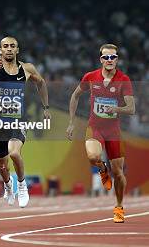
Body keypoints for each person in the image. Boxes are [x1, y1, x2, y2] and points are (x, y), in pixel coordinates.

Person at [0, 36, 50, 208]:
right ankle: (8, 186)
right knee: (2, 165)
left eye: (12, 46)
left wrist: (46, 107)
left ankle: (22, 186)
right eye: (5, 46)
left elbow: (42, 83)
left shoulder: (27, 69)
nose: (9, 49)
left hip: (18, 121)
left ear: (17, 50)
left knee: (15, 153)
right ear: (0, 50)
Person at [67, 43, 134, 223]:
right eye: (106, 57)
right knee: (93, 156)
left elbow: (131, 108)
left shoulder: (123, 79)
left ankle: (119, 207)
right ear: (101, 59)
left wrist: (116, 109)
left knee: (119, 173)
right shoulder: (91, 77)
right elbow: (75, 95)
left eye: (113, 57)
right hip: (94, 127)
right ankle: (102, 169)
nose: (109, 60)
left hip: (113, 131)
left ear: (117, 59)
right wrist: (71, 123)